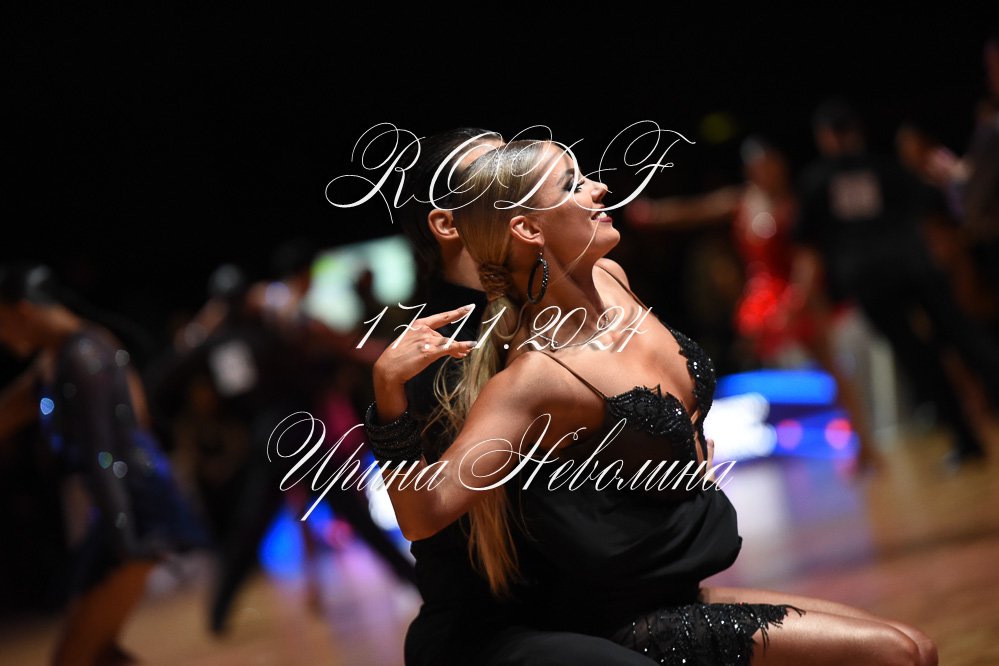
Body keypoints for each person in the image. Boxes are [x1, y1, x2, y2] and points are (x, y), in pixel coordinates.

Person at [365, 138, 937, 665]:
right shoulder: (528, 375)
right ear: (525, 227)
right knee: (896, 656)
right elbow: (424, 514)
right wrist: (387, 393)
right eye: (571, 183)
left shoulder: (612, 278)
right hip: (614, 615)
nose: (601, 187)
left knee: (915, 647)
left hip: (677, 586)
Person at [387, 127, 656, 665]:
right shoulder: (439, 356)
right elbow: (431, 516)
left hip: (586, 608)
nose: (519, 171)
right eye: (496, 171)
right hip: (490, 631)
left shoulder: (570, 294)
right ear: (447, 223)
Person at [625, 136, 880, 472]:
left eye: (772, 164)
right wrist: (656, 214)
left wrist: (798, 299)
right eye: (761, 166)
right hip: (762, 295)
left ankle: (863, 443)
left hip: (797, 291)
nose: (768, 172)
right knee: (761, 357)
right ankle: (779, 438)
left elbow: (808, 256)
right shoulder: (744, 200)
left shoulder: (794, 202)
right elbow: (698, 210)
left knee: (830, 368)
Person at [0, 263, 206, 666]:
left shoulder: (83, 354)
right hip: (121, 507)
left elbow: (103, 453)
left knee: (76, 657)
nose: (2, 338)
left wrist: (122, 539)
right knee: (97, 655)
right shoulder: (58, 357)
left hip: (133, 508)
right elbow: (9, 411)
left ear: (23, 311)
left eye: (2, 324)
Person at [794, 99, 999, 469]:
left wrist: (809, 295)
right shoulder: (882, 167)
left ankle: (966, 439)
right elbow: (929, 211)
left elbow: (809, 247)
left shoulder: (819, 180)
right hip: (910, 268)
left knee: (927, 357)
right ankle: (965, 437)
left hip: (876, 280)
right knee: (960, 341)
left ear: (824, 137)